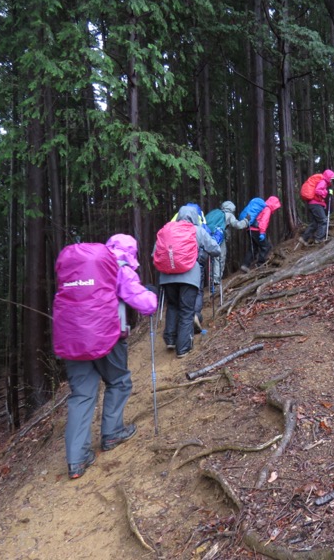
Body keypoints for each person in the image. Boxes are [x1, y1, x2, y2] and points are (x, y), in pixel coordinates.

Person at [63, 234, 158, 480]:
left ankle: (76, 459)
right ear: (131, 252)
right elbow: (145, 304)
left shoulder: (81, 268)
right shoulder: (119, 267)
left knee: (82, 395)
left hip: (71, 337)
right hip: (106, 337)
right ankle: (112, 433)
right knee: (119, 381)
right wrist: (152, 294)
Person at [159, 205, 220, 358]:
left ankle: (170, 340)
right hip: (189, 276)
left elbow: (156, 252)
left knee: (172, 306)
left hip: (167, 276)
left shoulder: (166, 230)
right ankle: (183, 348)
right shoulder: (197, 230)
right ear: (194, 217)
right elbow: (215, 249)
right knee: (187, 311)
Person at [208, 201, 249, 288]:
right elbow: (237, 225)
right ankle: (216, 280)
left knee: (213, 258)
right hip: (219, 238)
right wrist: (246, 220)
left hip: (209, 236)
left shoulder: (216, 213)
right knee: (220, 257)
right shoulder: (229, 215)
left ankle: (212, 279)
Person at [240, 196, 281, 272]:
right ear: (274, 204)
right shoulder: (267, 209)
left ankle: (245, 265)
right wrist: (262, 233)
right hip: (256, 230)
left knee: (254, 248)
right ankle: (260, 265)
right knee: (266, 246)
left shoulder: (262, 208)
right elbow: (263, 222)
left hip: (249, 228)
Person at [299, 169, 334, 245]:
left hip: (313, 204)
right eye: (331, 179)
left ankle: (304, 238)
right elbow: (317, 191)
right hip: (315, 204)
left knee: (315, 223)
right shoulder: (323, 182)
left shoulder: (323, 182)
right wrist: (326, 192)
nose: (331, 181)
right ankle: (319, 239)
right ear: (328, 177)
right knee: (323, 220)